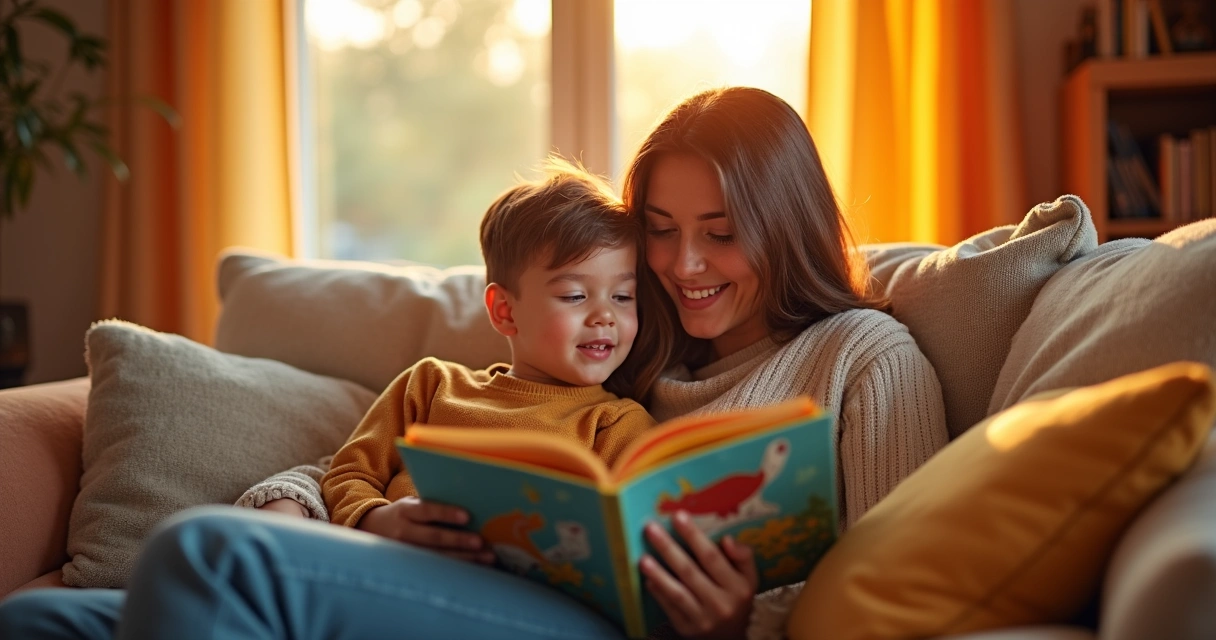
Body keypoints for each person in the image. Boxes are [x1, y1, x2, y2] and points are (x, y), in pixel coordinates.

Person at [0, 87, 948, 640]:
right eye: (659, 233)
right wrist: (301, 502)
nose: (682, 267)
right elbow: (432, 433)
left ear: (785, 224)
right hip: (462, 581)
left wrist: (738, 622)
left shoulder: (867, 359)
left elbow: (898, 611)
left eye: (721, 234)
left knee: (202, 555)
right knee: (43, 625)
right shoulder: (626, 337)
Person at [321, 159, 655, 558]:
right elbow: (348, 473)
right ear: (505, 311)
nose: (605, 316)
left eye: (623, 297)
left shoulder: (616, 424)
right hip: (392, 570)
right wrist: (377, 520)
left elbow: (634, 538)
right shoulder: (431, 386)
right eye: (574, 296)